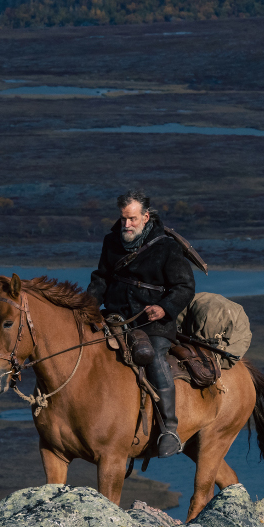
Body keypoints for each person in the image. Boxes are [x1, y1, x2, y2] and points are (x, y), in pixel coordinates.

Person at [85, 190, 195, 457]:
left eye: (132, 219)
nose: (127, 225)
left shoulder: (167, 246)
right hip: (114, 317)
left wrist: (164, 308)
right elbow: (101, 279)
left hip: (153, 323)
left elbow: (184, 286)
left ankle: (169, 428)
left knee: (153, 356)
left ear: (146, 217)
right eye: (123, 219)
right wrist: (85, 305)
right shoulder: (111, 241)